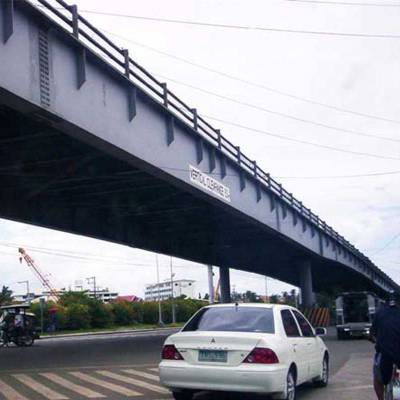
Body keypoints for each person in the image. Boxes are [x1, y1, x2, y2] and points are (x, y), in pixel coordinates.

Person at [370, 291, 400, 400]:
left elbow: (372, 334)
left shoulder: (379, 313)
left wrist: (375, 341)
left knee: (377, 380)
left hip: (384, 357)